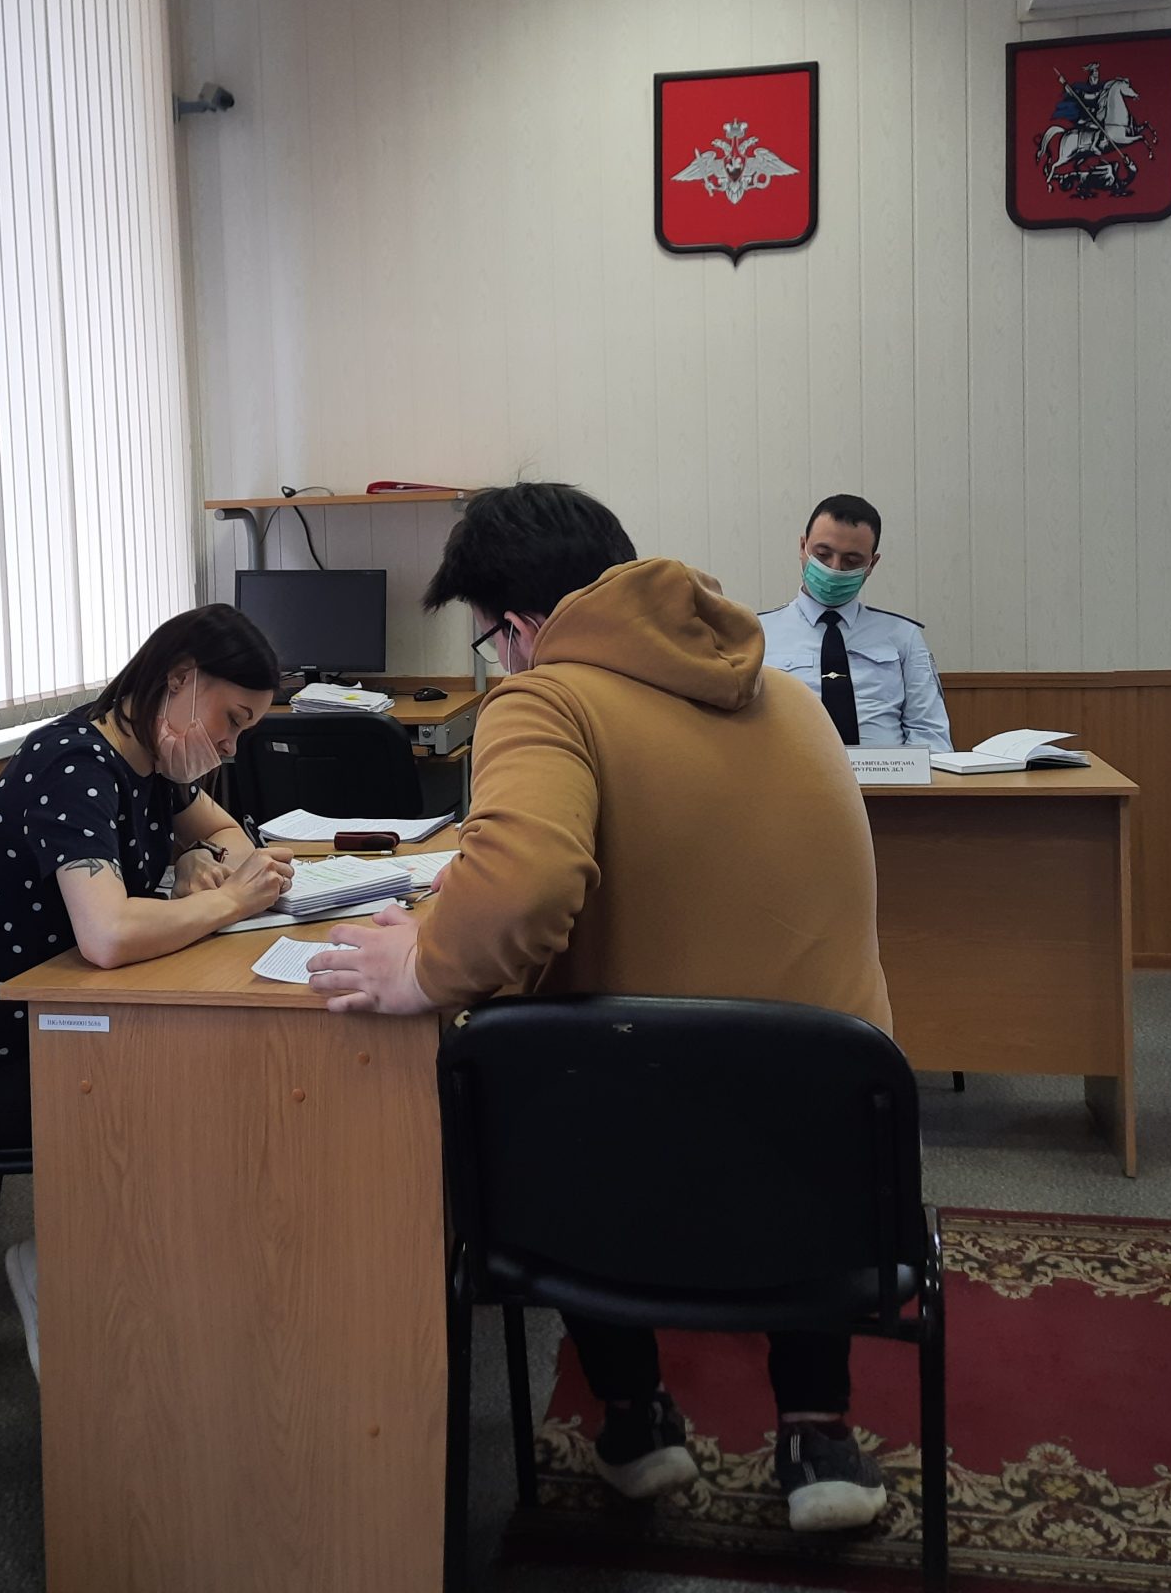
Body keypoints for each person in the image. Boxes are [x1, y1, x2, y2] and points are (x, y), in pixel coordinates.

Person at [303, 482, 896, 1534]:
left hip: (638, 1190)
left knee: (538, 1085)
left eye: (489, 641)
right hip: (839, 1175)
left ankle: (635, 1415)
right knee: (769, 1054)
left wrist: (423, 965)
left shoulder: (546, 699)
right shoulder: (785, 694)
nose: (499, 662)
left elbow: (524, 891)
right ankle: (817, 1434)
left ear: (520, 626)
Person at [0, 605, 297, 1366]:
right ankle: (66, 1272)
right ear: (181, 680)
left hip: (68, 1023)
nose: (229, 746)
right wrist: (231, 901)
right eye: (231, 720)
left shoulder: (151, 759)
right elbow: (107, 935)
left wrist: (196, 859)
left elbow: (226, 835)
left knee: (217, 1076)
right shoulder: (73, 764)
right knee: (191, 1094)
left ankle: (180, 1293)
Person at [757, 494, 952, 751]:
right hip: (791, 772)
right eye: (823, 554)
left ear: (872, 564)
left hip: (889, 774)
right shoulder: (757, 633)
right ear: (803, 547)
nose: (834, 568)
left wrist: (911, 775)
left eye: (852, 561)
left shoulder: (903, 636)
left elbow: (931, 734)